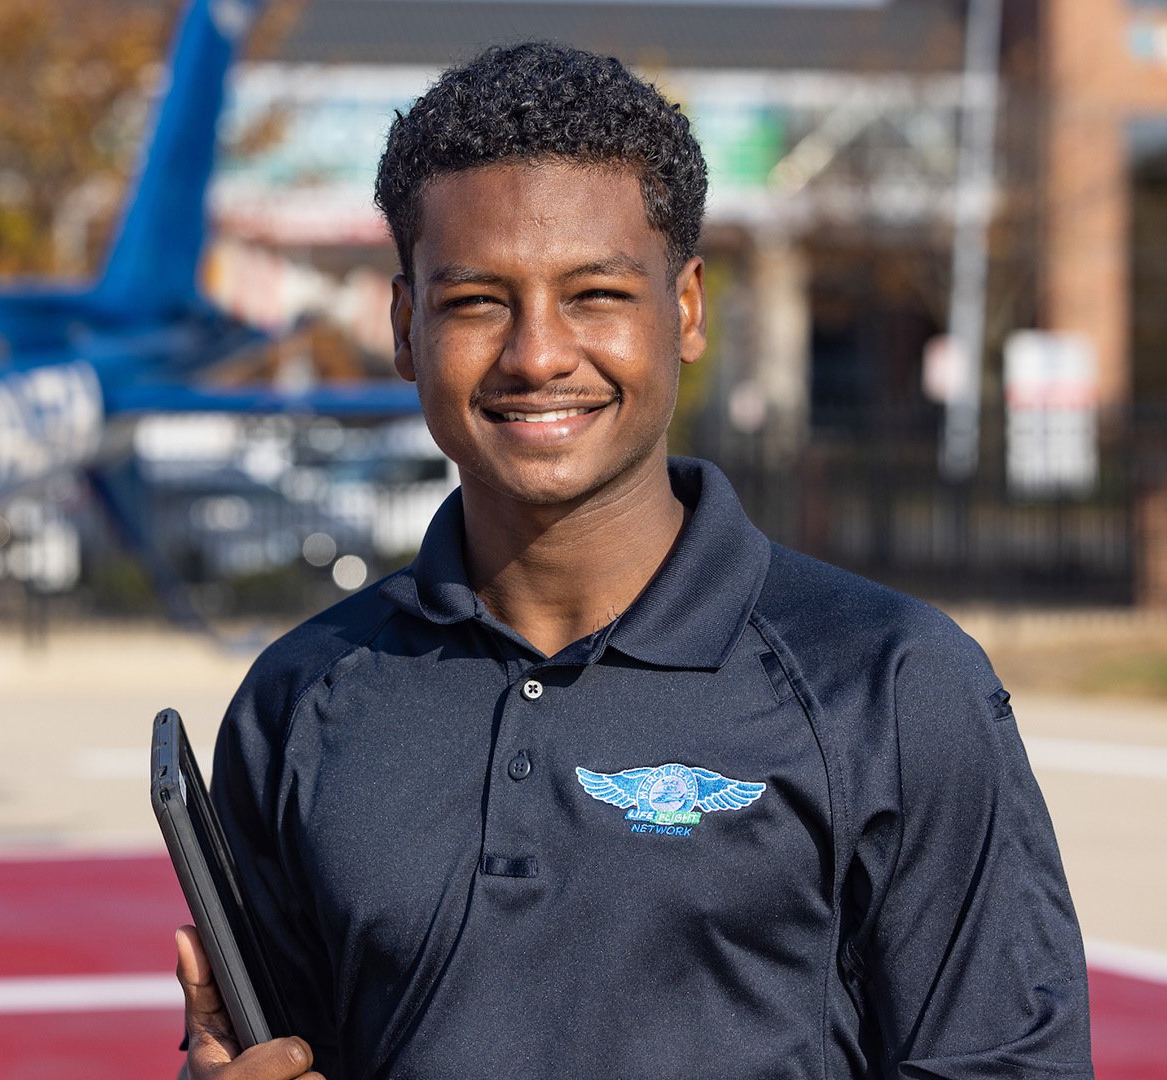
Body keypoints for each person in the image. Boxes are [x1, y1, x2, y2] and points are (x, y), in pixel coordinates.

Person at [174, 41, 1092, 1080]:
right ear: (404, 326)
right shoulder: (299, 701)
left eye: (596, 294)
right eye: (477, 300)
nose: (537, 354)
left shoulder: (888, 684)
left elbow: (1010, 1062)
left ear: (687, 310)